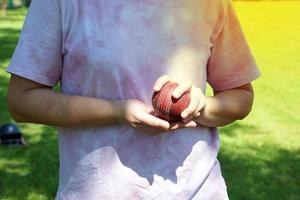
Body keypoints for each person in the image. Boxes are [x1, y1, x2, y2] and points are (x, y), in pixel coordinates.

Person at [6, 0, 260, 199]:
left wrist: (200, 106)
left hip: (198, 191)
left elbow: (240, 96)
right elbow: (22, 100)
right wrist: (118, 111)